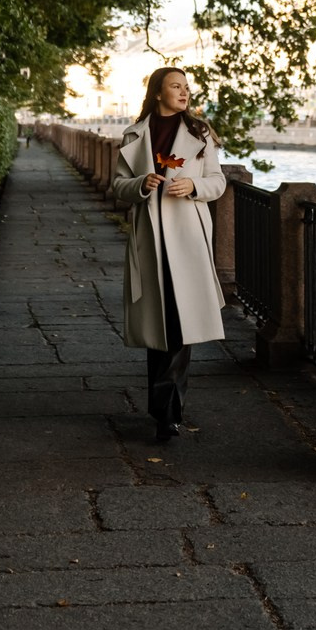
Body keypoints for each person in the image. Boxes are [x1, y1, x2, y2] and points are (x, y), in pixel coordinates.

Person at [111, 67, 227, 441]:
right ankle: (164, 409)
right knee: (160, 327)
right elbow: (118, 186)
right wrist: (140, 184)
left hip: (187, 237)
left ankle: (168, 414)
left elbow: (218, 181)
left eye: (187, 86)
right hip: (150, 239)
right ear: (158, 92)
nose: (184, 92)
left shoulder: (199, 133)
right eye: (176, 86)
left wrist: (194, 184)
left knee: (179, 325)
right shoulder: (136, 133)